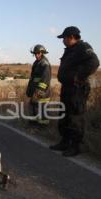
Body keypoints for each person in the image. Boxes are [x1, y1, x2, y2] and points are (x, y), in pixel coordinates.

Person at [49, 26, 100, 156]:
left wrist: (79, 76)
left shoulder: (83, 47)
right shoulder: (70, 50)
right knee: (64, 114)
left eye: (64, 38)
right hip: (67, 87)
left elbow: (94, 62)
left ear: (71, 37)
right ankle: (65, 142)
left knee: (75, 117)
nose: (63, 41)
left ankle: (75, 146)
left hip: (77, 89)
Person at [26, 44, 51, 125]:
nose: (36, 55)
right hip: (35, 90)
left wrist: (39, 92)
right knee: (34, 108)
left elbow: (45, 80)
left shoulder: (44, 64)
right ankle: (33, 125)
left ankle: (43, 127)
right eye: (35, 53)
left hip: (42, 92)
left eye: (38, 53)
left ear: (42, 53)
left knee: (41, 110)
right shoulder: (37, 63)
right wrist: (30, 89)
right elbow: (33, 78)